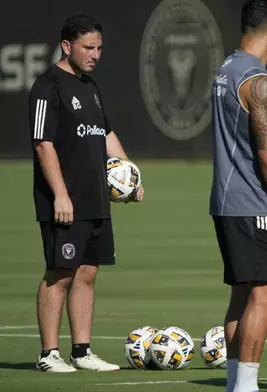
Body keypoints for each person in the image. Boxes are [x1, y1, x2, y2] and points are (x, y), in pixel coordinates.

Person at [30, 14, 143, 372]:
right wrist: (61, 195)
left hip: (96, 200)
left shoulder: (90, 86)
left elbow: (105, 134)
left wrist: (131, 176)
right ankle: (49, 354)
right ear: (67, 46)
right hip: (65, 202)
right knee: (59, 273)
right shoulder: (48, 86)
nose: (95, 54)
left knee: (87, 274)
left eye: (99, 48)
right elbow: (42, 144)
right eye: (88, 47)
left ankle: (82, 351)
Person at [209, 0, 267, 391]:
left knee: (243, 295)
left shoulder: (226, 70)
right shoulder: (259, 81)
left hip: (226, 203)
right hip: (253, 204)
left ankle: (236, 384)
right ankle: (245, 386)